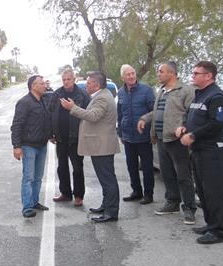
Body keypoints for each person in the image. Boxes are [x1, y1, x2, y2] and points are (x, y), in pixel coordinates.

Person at [176, 61, 223, 245]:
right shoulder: (199, 95)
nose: (192, 76)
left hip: (214, 152)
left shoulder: (218, 97)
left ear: (209, 76)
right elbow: (191, 115)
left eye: (196, 73)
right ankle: (210, 224)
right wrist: (184, 126)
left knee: (213, 191)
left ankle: (217, 230)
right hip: (199, 151)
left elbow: (217, 124)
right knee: (202, 190)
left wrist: (193, 135)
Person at [137, 62, 197, 224]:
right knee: (167, 174)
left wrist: (184, 127)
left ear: (172, 73)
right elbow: (157, 112)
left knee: (183, 175)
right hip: (161, 139)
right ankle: (172, 202)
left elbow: (192, 113)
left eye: (161, 71)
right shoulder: (162, 91)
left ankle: (190, 208)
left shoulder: (186, 90)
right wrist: (145, 119)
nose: (158, 74)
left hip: (177, 140)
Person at [61, 71, 120, 222]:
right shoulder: (102, 95)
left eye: (88, 83)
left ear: (97, 85)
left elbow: (93, 116)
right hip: (100, 145)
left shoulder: (102, 98)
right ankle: (106, 205)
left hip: (102, 146)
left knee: (107, 179)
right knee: (105, 178)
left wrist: (72, 108)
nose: (86, 85)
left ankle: (111, 212)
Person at [11, 75, 52, 218]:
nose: (45, 85)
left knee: (38, 177)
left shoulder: (43, 101)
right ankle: (27, 207)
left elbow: (46, 120)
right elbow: (16, 125)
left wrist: (51, 135)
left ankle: (35, 202)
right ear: (33, 86)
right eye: (42, 84)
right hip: (29, 145)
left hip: (42, 145)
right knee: (28, 177)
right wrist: (17, 146)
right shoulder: (24, 103)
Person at [49, 69, 91, 206]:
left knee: (77, 168)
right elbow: (50, 113)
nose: (66, 82)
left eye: (68, 79)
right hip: (61, 138)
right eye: (64, 80)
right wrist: (51, 134)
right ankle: (65, 193)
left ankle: (78, 195)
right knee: (62, 167)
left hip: (76, 138)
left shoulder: (82, 95)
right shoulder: (57, 94)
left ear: (74, 79)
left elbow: (89, 115)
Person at [117, 64, 156, 204]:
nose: (131, 76)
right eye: (128, 74)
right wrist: (120, 132)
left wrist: (148, 125)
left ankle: (148, 194)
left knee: (146, 167)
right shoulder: (121, 92)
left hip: (143, 136)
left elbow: (154, 111)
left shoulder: (146, 90)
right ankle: (136, 191)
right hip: (128, 136)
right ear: (123, 77)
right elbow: (120, 114)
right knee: (131, 166)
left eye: (133, 73)